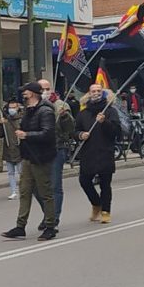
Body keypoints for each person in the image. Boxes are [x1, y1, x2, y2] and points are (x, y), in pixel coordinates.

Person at [1, 81, 57, 241]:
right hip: (27, 156)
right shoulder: (27, 111)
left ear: (32, 93)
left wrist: (27, 135)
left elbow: (47, 134)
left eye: (25, 92)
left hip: (41, 157)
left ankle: (50, 226)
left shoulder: (45, 111)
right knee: (25, 191)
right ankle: (20, 226)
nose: (23, 94)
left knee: (45, 193)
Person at [73, 84, 120, 223]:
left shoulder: (110, 111)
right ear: (89, 93)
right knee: (84, 181)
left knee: (105, 184)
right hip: (88, 153)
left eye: (99, 91)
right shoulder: (83, 113)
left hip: (105, 152)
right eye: (93, 91)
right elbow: (75, 131)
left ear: (103, 93)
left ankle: (106, 211)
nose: (96, 93)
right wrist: (80, 135)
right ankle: (96, 203)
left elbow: (116, 131)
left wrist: (104, 122)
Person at [39, 78, 73, 230]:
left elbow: (70, 129)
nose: (45, 92)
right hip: (38, 151)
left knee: (54, 186)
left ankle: (54, 218)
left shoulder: (60, 105)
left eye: (47, 89)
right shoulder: (33, 106)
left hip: (57, 149)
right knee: (37, 187)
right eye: (42, 89)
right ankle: (48, 214)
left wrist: (65, 117)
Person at [0, 99, 23, 200]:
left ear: (18, 108)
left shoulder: (22, 119)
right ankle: (14, 191)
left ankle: (23, 190)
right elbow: (0, 135)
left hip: (20, 150)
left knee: (21, 172)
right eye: (10, 108)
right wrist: (0, 124)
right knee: (11, 173)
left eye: (14, 107)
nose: (12, 110)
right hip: (8, 149)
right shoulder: (5, 119)